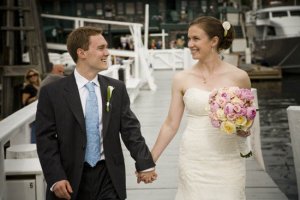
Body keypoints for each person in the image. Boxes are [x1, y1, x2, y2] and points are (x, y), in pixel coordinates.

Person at [35, 26, 156, 200]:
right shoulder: (52, 93)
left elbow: (131, 130)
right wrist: (55, 177)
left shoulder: (116, 88)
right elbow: (45, 139)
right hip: (69, 179)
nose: (107, 53)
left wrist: (145, 164)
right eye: (101, 48)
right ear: (81, 53)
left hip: (108, 176)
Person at [149, 16, 251, 199]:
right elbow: (171, 124)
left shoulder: (240, 77)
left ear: (214, 41)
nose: (190, 44)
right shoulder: (181, 78)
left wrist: (243, 127)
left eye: (196, 39)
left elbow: (249, 118)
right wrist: (149, 161)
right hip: (194, 158)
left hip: (228, 158)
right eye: (189, 39)